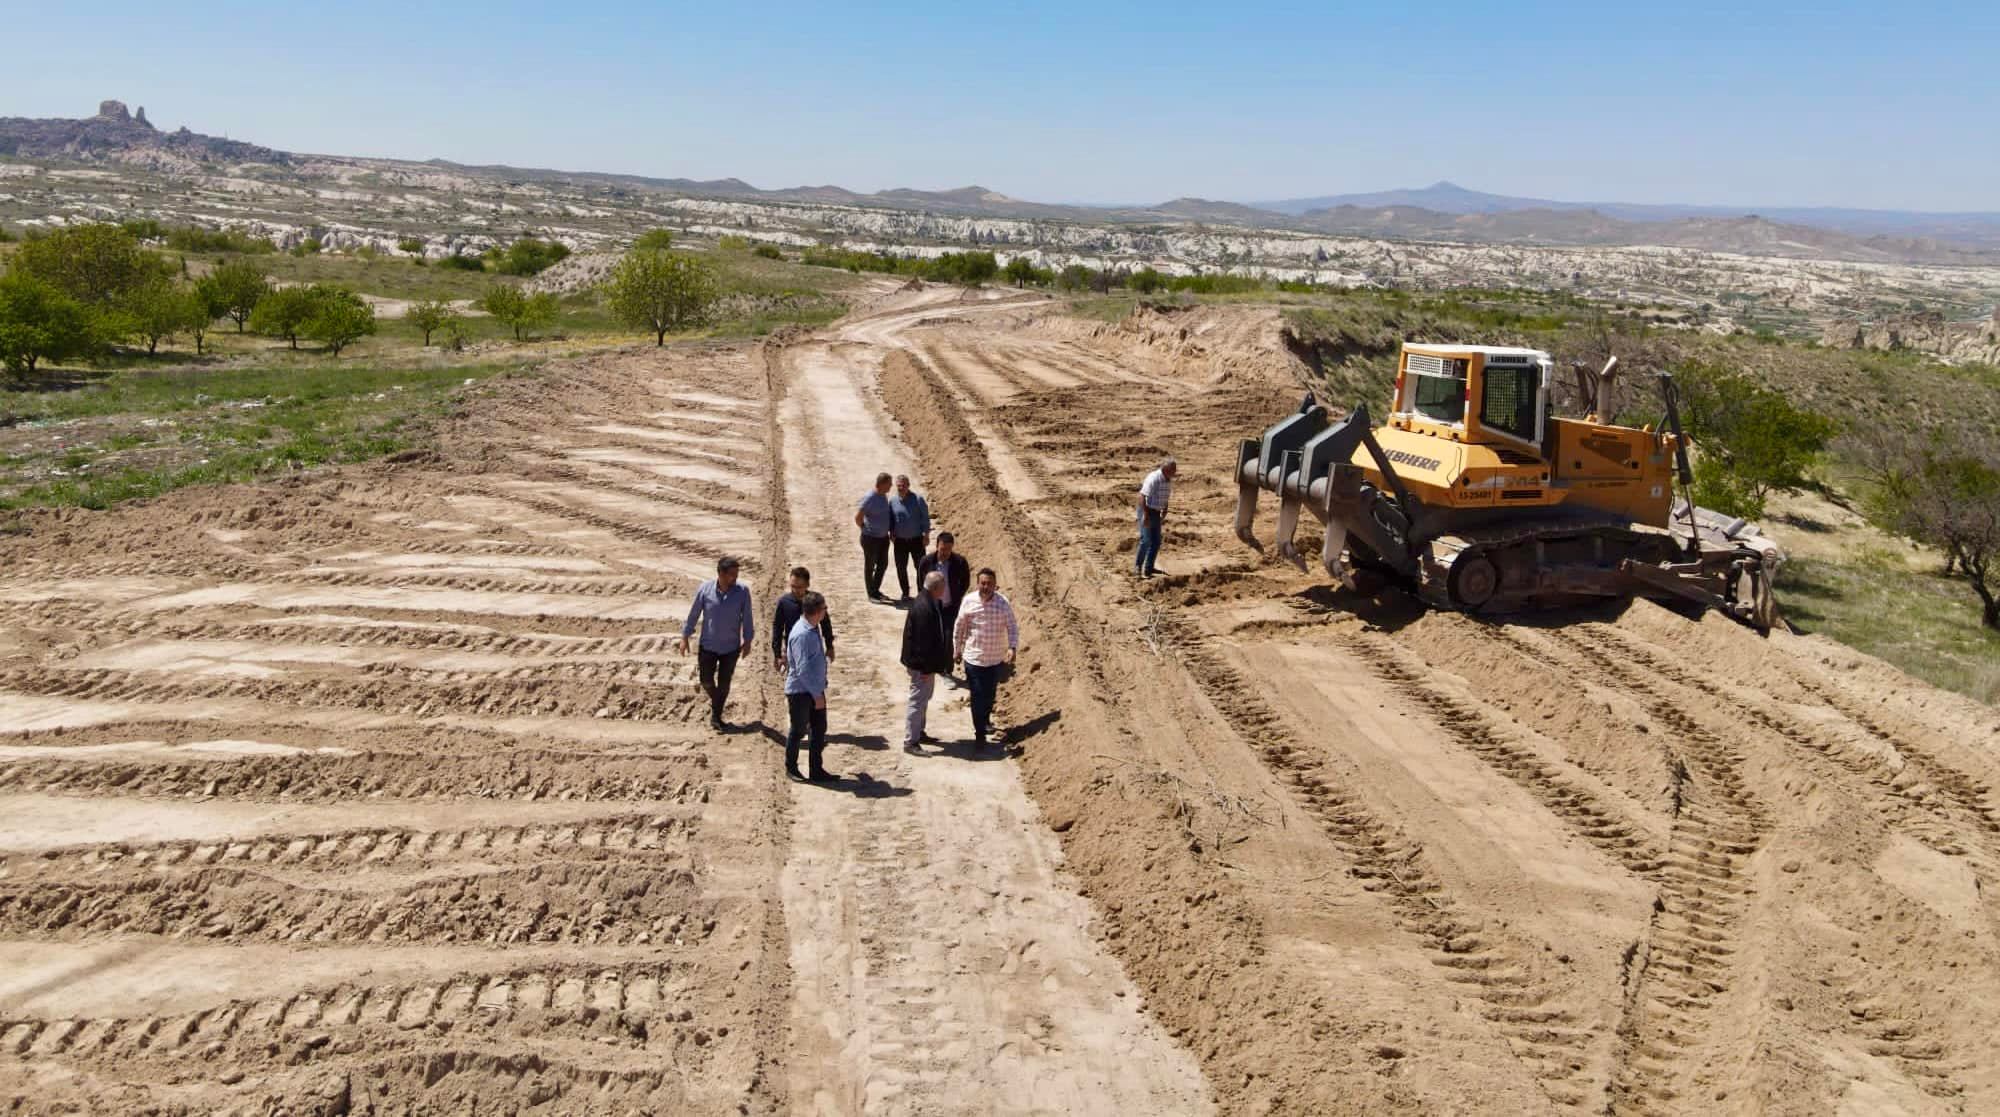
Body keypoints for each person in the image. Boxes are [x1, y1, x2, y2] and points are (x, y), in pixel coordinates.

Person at [678, 556, 754, 730]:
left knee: (725, 683)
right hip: (708, 645)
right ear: (720, 573)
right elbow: (694, 614)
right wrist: (685, 637)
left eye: (737, 574)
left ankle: (716, 716)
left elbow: (747, 618)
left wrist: (748, 640)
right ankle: (718, 701)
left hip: (730, 648)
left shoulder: (742, 592)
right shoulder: (705, 590)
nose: (735, 578)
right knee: (706, 681)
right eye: (731, 575)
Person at [953, 567, 1019, 747]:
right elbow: (959, 627)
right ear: (977, 584)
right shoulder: (968, 601)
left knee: (989, 695)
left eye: (989, 583)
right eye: (983, 583)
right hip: (973, 659)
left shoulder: (1002, 603)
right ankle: (980, 734)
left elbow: (1012, 627)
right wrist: (956, 649)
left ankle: (985, 720)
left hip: (995, 659)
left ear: (995, 585)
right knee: (977, 695)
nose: (986, 586)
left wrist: (1012, 647)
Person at [784, 591, 835, 783]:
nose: (825, 612)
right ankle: (791, 768)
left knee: (819, 729)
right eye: (824, 609)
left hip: (813, 689)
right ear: (816, 612)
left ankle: (816, 770)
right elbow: (803, 670)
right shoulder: (802, 635)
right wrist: (816, 695)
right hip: (801, 692)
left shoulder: (812, 628)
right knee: (798, 730)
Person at [900, 571, 953, 751]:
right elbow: (922, 643)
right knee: (917, 700)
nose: (945, 589)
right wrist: (926, 669)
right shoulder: (924, 607)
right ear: (937, 588)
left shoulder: (929, 601)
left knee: (923, 699)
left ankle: (918, 733)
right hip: (921, 665)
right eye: (943, 586)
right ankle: (911, 741)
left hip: (925, 665)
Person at [772, 566, 835, 671]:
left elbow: (825, 624)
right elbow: (777, 628)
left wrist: (830, 647)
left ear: (807, 585)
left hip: (813, 650)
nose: (795, 590)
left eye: (799, 587)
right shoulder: (784, 602)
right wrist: (777, 655)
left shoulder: (815, 601)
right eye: (793, 586)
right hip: (793, 652)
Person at [916, 531, 972, 634]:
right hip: (931, 607)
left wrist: (956, 595)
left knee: (948, 638)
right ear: (937, 546)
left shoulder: (960, 562)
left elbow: (965, 582)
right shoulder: (926, 561)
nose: (945, 553)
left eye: (948, 550)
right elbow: (920, 583)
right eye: (942, 549)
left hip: (950, 608)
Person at [888, 474, 931, 602]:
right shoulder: (893, 501)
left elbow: (925, 519)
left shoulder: (918, 500)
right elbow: (891, 519)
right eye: (898, 486)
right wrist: (892, 533)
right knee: (901, 568)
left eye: (903, 486)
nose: (900, 488)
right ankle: (905, 593)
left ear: (908, 486)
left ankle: (921, 594)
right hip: (900, 541)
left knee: (920, 567)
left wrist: (926, 535)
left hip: (917, 540)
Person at [855, 472, 895, 601]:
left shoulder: (883, 496)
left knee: (883, 564)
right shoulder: (870, 497)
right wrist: (864, 528)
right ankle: (871, 594)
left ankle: (876, 590)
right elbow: (858, 517)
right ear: (882, 484)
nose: (891, 486)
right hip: (871, 538)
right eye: (889, 483)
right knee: (870, 566)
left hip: (883, 538)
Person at [1135, 457, 1177, 577]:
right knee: (1146, 540)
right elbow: (1142, 496)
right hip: (1146, 510)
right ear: (1165, 469)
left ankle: (1149, 568)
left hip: (1156, 512)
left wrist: (1165, 509)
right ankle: (1138, 567)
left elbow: (1165, 495)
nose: (1175, 472)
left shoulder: (1168, 480)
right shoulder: (1153, 478)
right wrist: (1146, 515)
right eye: (1173, 470)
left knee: (1156, 542)